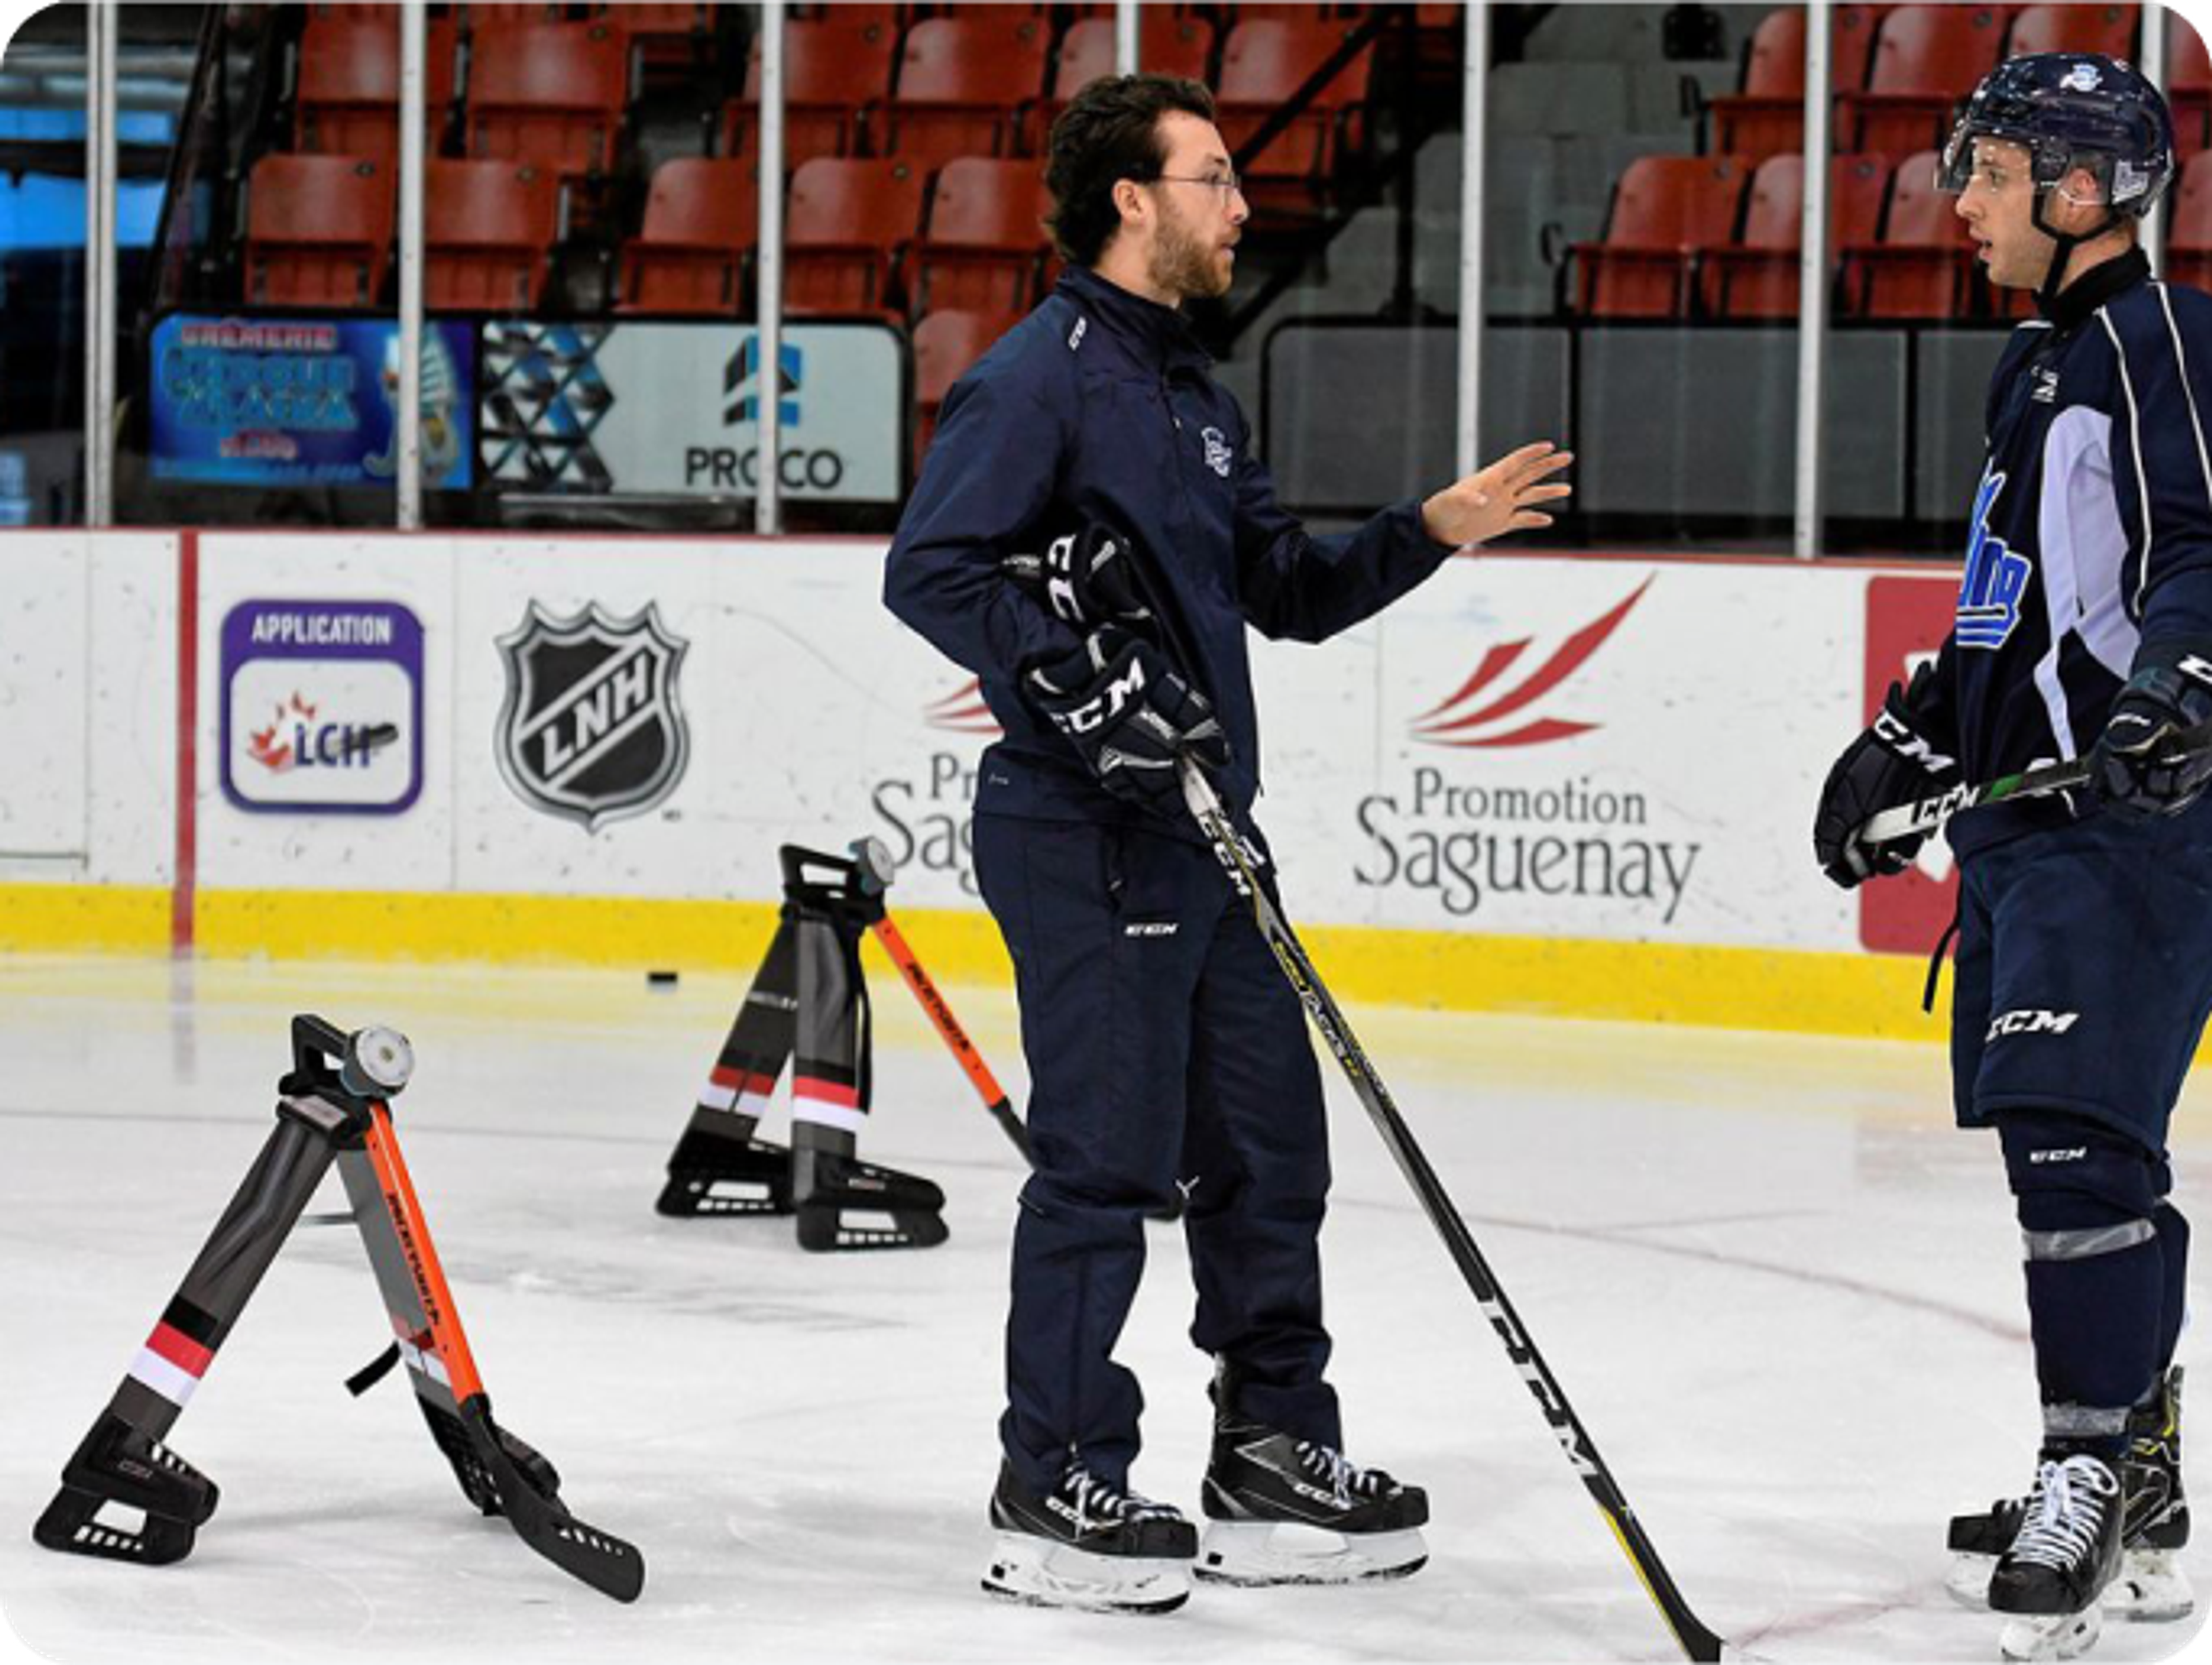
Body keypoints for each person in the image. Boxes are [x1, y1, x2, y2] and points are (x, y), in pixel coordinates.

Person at [882, 74, 1572, 1614]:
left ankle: (1270, 1454)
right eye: (1213, 178)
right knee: (1105, 1165)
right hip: (1085, 831)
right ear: (1130, 199)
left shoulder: (1194, 392)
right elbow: (932, 570)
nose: (1242, 204)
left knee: (1267, 1158)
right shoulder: (1037, 378)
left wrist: (1425, 531)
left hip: (1208, 838)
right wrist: (1068, 680)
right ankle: (1051, 1479)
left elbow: (1289, 589)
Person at [1812, 52, 2209, 1663]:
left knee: (2071, 1140)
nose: (1959, 199)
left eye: (1987, 171)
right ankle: (2143, 1467)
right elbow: (2013, 599)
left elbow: (2205, 547)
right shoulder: (2040, 361)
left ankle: (2088, 1467)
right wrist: (1910, 733)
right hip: (2031, 821)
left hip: (2130, 817)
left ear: (2078, 188)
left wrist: (2186, 692)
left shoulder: (2159, 339)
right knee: (2082, 1146)